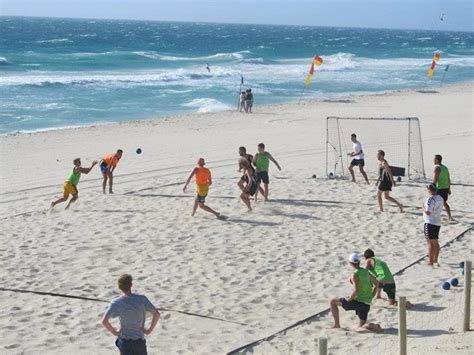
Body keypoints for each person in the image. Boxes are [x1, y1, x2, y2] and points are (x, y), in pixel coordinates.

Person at [102, 274, 160, 355]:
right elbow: (156, 314)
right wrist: (149, 330)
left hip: (125, 342)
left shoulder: (116, 302)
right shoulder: (141, 299)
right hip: (139, 341)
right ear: (131, 285)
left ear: (119, 287)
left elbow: (104, 321)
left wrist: (115, 332)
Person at [329, 253, 382, 332]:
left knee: (332, 301)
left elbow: (356, 290)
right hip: (367, 303)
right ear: (359, 262)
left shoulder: (355, 274)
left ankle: (337, 324)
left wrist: (349, 299)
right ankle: (373, 326)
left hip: (359, 302)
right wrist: (372, 295)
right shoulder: (366, 271)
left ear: (350, 263)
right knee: (362, 326)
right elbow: (377, 283)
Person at [422, 183, 444, 266]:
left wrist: (423, 208)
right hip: (437, 221)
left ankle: (430, 262)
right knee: (435, 242)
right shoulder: (440, 198)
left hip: (430, 222)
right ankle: (435, 260)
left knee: (430, 243)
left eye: (428, 189)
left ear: (430, 190)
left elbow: (428, 212)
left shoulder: (431, 199)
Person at [433, 154, 453, 221]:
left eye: (434, 159)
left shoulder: (437, 168)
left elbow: (435, 180)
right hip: (446, 188)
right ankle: (450, 217)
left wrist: (433, 188)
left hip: (439, 188)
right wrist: (449, 189)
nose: (433, 160)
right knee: (444, 203)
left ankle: (435, 217)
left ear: (437, 160)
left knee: (436, 203)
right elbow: (448, 179)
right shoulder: (445, 168)